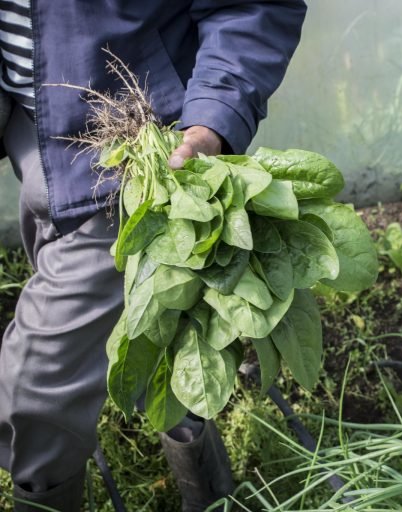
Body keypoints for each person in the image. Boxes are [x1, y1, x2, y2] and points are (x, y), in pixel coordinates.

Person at [0, 1, 307, 511]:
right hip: (33, 129)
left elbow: (252, 6)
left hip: (130, 150)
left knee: (37, 392)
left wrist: (211, 120)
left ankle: (47, 490)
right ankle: (209, 489)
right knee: (153, 328)